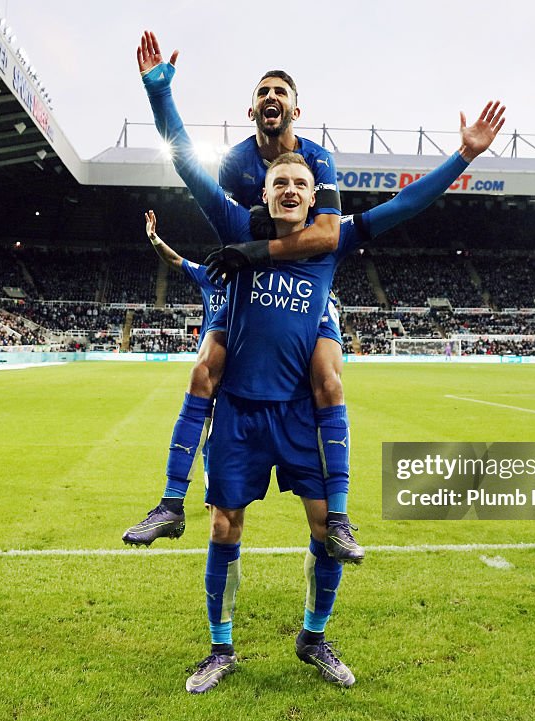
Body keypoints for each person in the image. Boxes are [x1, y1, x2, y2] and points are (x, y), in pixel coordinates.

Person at [137, 29, 505, 694]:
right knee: (223, 517)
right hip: (244, 412)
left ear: (313, 193)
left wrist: (462, 157)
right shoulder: (234, 220)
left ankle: (315, 634)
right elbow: (188, 164)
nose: (288, 187)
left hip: (299, 413)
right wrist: (160, 96)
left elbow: (402, 205)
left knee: (321, 519)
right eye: (279, 182)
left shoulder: (329, 237)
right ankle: (219, 646)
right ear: (263, 191)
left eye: (300, 184)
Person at [122, 61, 359, 564]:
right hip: (247, 287)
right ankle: (170, 502)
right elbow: (219, 207)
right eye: (263, 92)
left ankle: (337, 515)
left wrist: (257, 250)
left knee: (327, 378)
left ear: (296, 109)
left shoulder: (317, 158)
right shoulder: (234, 161)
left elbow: (327, 235)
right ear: (251, 109)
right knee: (204, 367)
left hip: (305, 285)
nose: (272, 98)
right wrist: (160, 94)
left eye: (281, 91)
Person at [122, 209, 226, 540]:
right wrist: (154, 238)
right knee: (203, 432)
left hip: (242, 372)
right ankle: (181, 502)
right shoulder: (209, 276)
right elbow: (175, 260)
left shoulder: (255, 277)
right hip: (211, 367)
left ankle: (207, 498)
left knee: (219, 439)